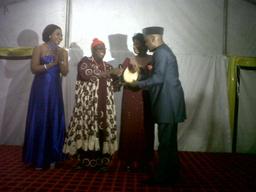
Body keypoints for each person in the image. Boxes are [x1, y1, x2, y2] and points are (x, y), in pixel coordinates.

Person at [128, 26, 186, 185]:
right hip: (170, 103)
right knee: (170, 143)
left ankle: (163, 178)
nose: (145, 44)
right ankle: (173, 174)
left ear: (154, 38)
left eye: (146, 41)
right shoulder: (165, 51)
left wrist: (137, 84)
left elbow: (158, 79)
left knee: (165, 144)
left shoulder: (161, 53)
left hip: (167, 103)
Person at [63, 38, 118, 172]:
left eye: (103, 49)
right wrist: (111, 73)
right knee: (86, 128)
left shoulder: (108, 66)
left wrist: (121, 76)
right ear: (93, 50)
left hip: (105, 105)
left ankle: (102, 162)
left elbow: (115, 86)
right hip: (88, 106)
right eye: (99, 49)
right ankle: (84, 161)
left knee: (103, 130)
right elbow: (88, 74)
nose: (102, 52)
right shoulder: (85, 62)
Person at [23, 24, 69, 170]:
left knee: (53, 118)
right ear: (49, 34)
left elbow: (65, 72)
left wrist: (61, 60)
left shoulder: (63, 51)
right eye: (57, 34)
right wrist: (50, 65)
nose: (60, 37)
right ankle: (37, 157)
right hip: (40, 89)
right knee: (40, 119)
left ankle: (52, 156)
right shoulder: (39, 48)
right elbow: (34, 68)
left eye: (61, 35)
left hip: (54, 90)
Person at [117, 33, 154, 172]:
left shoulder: (152, 59)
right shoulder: (128, 60)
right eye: (134, 43)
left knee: (145, 127)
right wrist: (119, 76)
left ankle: (144, 160)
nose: (135, 46)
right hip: (130, 97)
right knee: (130, 127)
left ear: (145, 45)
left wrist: (140, 71)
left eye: (138, 43)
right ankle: (128, 160)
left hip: (146, 97)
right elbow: (120, 79)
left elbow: (155, 78)